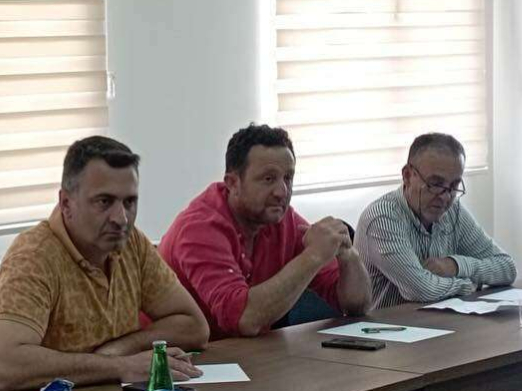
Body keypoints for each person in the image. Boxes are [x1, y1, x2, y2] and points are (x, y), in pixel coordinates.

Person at [0, 136, 209, 391]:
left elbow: (194, 326)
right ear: (66, 204)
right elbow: (4, 367)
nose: (121, 218)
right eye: (104, 201)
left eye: (129, 202)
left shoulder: (131, 243)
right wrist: (120, 366)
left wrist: (121, 349)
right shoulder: (34, 256)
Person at [159, 124, 371, 337]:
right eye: (268, 179)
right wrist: (313, 256)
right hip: (176, 352)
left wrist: (348, 255)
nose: (282, 192)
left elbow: (356, 305)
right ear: (233, 183)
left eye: (288, 178)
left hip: (245, 350)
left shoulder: (283, 219)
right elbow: (245, 319)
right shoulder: (199, 228)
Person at [356, 133, 516, 308]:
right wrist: (468, 285)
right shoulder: (382, 217)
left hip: (444, 321)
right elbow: (421, 289)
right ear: (407, 176)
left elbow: (507, 268)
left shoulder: (453, 211)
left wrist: (456, 266)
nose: (445, 197)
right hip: (390, 324)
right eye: (436, 184)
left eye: (454, 186)